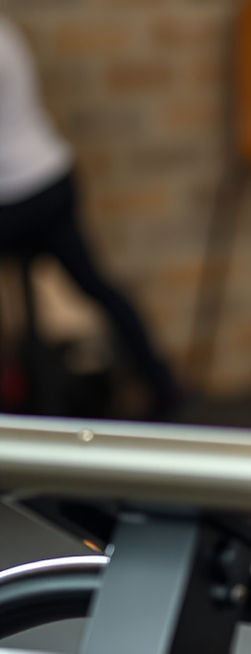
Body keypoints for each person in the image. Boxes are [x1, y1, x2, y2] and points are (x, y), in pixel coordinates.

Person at [0, 14, 179, 419]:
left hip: (21, 194)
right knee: (95, 284)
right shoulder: (6, 28)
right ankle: (162, 381)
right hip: (51, 177)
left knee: (92, 284)